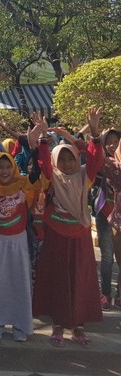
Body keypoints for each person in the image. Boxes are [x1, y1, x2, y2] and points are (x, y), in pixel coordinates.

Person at [33, 107, 104, 348]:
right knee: (58, 279)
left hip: (80, 234)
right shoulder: (53, 177)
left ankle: (79, 325)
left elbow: (95, 159)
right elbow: (43, 163)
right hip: (56, 233)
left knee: (79, 278)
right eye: (61, 158)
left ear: (77, 158)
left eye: (70, 158)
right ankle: (58, 325)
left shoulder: (86, 176)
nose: (66, 162)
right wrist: (42, 139)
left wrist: (94, 134)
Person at [0, 122, 48, 342]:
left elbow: (37, 171)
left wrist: (35, 146)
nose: (5, 171)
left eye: (8, 167)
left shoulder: (22, 184)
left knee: (19, 282)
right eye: (0, 167)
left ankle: (20, 324)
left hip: (18, 242)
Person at [94, 128, 121, 310]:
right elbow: (91, 156)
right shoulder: (106, 164)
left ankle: (119, 294)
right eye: (108, 142)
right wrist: (95, 134)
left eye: (115, 141)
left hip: (118, 219)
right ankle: (105, 294)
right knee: (106, 258)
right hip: (105, 215)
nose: (112, 145)